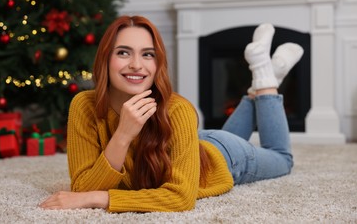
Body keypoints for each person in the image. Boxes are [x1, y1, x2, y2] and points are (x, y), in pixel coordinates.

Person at [39, 16, 303, 212]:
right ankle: (262, 81)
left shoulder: (178, 110)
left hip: (225, 157)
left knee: (282, 158)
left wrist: (102, 198)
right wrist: (122, 135)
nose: (136, 65)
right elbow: (83, 187)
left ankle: (265, 75)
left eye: (148, 55)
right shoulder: (83, 105)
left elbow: (180, 198)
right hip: (192, 145)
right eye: (123, 53)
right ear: (105, 60)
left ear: (158, 64)